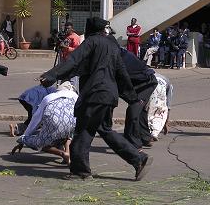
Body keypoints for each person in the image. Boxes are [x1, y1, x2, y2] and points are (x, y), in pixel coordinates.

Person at [39, 17, 152, 181]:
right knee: (105, 130)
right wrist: (132, 97)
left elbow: (73, 60)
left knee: (84, 130)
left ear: (90, 29)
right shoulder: (112, 46)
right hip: (109, 95)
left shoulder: (91, 42)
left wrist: (50, 75)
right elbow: (122, 73)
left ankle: (80, 171)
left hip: (95, 94)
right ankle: (138, 159)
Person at [11, 82, 78, 165]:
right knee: (68, 135)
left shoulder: (49, 97)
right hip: (72, 124)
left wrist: (23, 140)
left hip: (54, 123)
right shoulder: (75, 96)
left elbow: (36, 119)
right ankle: (68, 152)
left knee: (40, 143)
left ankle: (63, 154)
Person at [120, 47, 158, 149]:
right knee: (140, 110)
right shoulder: (117, 54)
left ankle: (133, 144)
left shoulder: (118, 58)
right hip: (136, 84)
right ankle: (145, 137)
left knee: (133, 111)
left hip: (146, 83)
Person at [146, 73, 173, 141]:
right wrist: (165, 123)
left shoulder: (149, 73)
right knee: (161, 112)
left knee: (149, 110)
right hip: (160, 89)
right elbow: (168, 105)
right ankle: (154, 133)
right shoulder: (168, 83)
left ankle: (148, 131)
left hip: (150, 85)